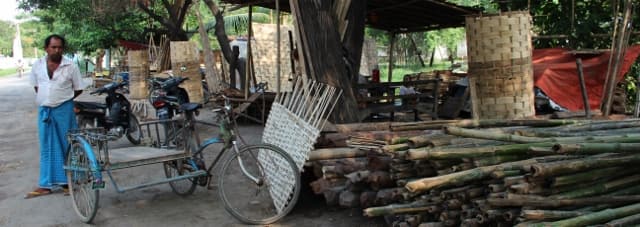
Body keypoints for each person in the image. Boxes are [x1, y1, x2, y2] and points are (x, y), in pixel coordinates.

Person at [25, 34, 87, 199]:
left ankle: (69, 182)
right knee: (47, 147)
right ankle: (45, 185)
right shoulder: (37, 65)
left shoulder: (70, 66)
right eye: (53, 47)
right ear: (47, 48)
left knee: (68, 145)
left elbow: (79, 88)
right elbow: (37, 86)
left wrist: (63, 98)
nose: (57, 50)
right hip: (45, 111)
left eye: (59, 47)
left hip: (64, 110)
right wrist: (48, 99)